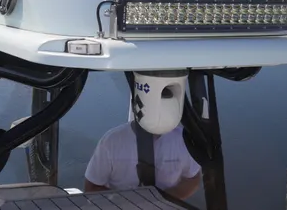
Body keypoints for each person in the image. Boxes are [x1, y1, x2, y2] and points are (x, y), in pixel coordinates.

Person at [84, 70, 202, 200]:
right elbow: (92, 187)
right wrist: (129, 204)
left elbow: (193, 178)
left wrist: (163, 200)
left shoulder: (183, 140)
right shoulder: (111, 142)